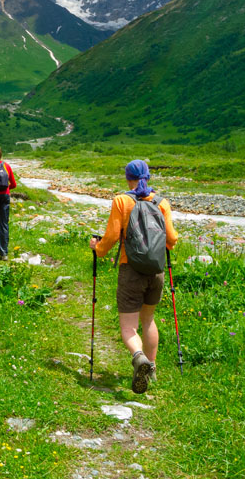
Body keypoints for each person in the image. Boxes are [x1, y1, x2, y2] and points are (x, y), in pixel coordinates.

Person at [89, 159, 179, 394]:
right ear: (148, 177)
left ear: (127, 177)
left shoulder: (122, 201)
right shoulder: (162, 202)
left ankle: (139, 358)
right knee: (148, 320)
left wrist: (96, 249)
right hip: (156, 271)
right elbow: (172, 240)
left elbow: (110, 238)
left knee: (129, 328)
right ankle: (152, 368)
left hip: (131, 270)